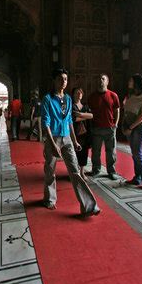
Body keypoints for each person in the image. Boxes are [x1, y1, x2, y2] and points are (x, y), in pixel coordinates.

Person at [41, 68, 100, 217]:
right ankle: (49, 199)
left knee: (75, 172)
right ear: (54, 80)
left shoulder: (68, 99)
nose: (63, 82)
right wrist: (53, 144)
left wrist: (74, 141)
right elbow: (45, 122)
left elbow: (69, 122)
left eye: (66, 79)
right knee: (50, 170)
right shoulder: (48, 99)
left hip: (67, 138)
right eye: (60, 78)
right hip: (53, 138)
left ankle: (89, 206)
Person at [122, 74, 142, 194]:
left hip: (139, 127)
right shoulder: (131, 93)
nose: (129, 81)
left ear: (137, 82)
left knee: (138, 154)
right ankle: (137, 178)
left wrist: (130, 127)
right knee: (134, 154)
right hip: (129, 126)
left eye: (131, 80)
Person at [87, 73, 120, 180]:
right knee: (95, 151)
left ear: (107, 82)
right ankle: (96, 169)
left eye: (103, 79)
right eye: (99, 79)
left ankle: (111, 171)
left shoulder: (113, 95)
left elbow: (117, 110)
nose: (100, 80)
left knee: (111, 151)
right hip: (96, 128)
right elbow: (89, 111)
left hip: (110, 128)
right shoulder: (92, 96)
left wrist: (116, 123)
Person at [72, 87, 93, 180]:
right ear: (73, 94)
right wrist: (86, 116)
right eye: (77, 92)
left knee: (84, 152)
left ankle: (82, 172)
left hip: (85, 133)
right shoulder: (71, 105)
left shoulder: (86, 106)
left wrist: (80, 115)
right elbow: (73, 119)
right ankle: (75, 172)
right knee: (74, 153)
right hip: (75, 133)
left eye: (81, 92)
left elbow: (92, 116)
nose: (79, 94)